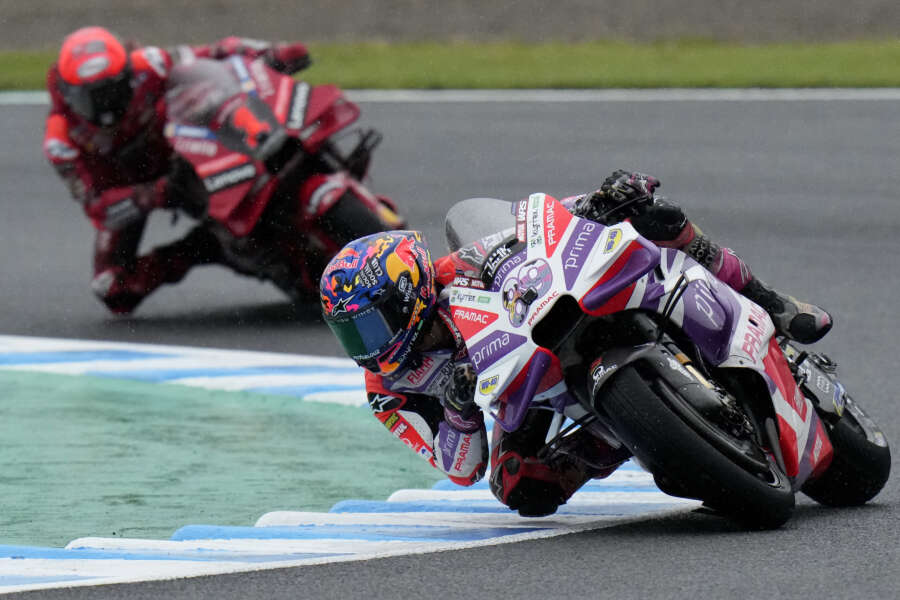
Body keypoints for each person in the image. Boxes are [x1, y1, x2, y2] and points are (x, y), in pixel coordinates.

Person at [319, 170, 833, 517]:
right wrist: (456, 409)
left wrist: (601, 201)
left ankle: (770, 300)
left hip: (547, 320)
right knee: (519, 486)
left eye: (371, 326)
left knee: (652, 216)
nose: (367, 346)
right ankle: (626, 436)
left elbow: (541, 228)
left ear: (408, 293)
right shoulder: (388, 390)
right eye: (351, 334)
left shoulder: (456, 270)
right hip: (523, 388)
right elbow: (460, 468)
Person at [42, 26, 311, 314]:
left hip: (183, 148)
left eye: (113, 90)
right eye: (91, 98)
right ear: (69, 96)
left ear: (128, 76)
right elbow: (98, 207)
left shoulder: (149, 64)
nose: (105, 108)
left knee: (209, 93)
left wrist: (267, 53)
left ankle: (286, 146)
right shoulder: (61, 142)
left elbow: (212, 54)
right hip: (138, 188)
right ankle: (206, 246)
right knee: (112, 288)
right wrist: (153, 193)